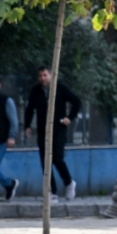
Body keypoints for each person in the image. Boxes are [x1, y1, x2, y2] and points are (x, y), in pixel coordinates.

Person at [24, 67, 81, 201]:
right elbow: (30, 109)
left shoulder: (60, 88)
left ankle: (69, 182)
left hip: (58, 128)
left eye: (45, 75)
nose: (43, 78)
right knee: (45, 161)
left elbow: (77, 102)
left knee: (56, 158)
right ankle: (52, 192)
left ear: (50, 75)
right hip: (43, 130)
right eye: (40, 76)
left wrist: (70, 118)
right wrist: (27, 125)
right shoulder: (36, 91)